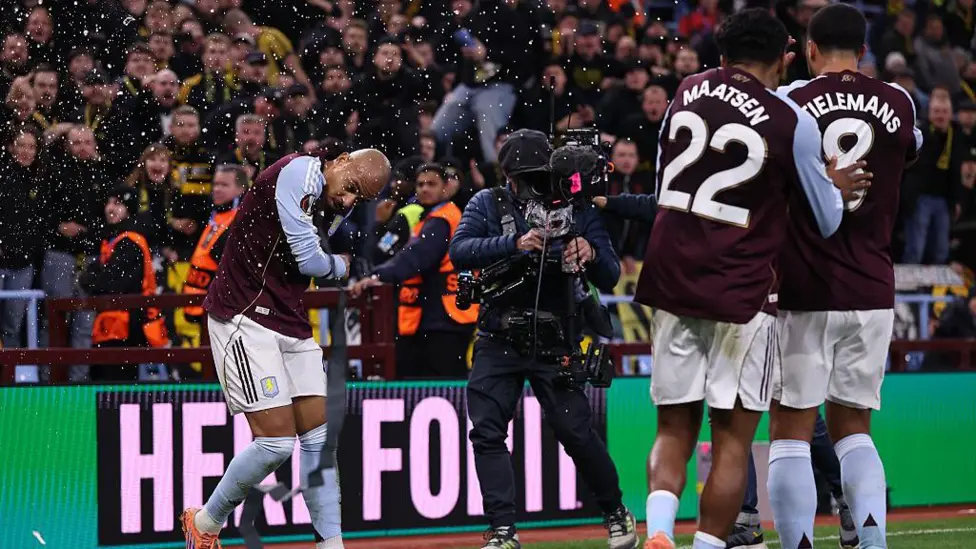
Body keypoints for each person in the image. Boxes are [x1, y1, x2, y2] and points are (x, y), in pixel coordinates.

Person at [635, 9, 870, 549]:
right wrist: (828, 183)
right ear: (785, 58)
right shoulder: (790, 119)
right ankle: (707, 545)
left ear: (722, 56)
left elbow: (663, 185)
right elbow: (827, 220)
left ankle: (660, 532)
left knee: (672, 429)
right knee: (732, 441)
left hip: (670, 281)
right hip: (740, 294)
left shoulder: (686, 91)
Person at [180, 147, 390, 549]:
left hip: (289, 318)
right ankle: (205, 523)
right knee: (275, 444)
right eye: (350, 187)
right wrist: (343, 265)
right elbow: (311, 262)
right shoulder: (302, 171)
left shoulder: (328, 195)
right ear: (341, 160)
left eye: (358, 198)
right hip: (243, 314)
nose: (348, 200)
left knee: (319, 441)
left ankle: (332, 547)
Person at [771, 5, 923, 549]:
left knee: (790, 429)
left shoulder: (790, 100)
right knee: (854, 428)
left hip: (804, 287)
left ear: (809, 49)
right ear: (863, 51)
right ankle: (873, 541)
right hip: (873, 289)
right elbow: (911, 147)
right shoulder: (900, 101)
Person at [449, 130, 639, 549]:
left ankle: (614, 511)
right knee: (486, 431)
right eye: (525, 177)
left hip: (557, 337)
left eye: (541, 176)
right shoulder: (487, 202)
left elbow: (610, 273)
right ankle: (503, 531)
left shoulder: (578, 207)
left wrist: (589, 251)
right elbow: (459, 249)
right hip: (499, 333)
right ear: (508, 176)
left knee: (576, 432)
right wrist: (513, 243)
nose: (533, 185)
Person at [350, 163, 478, 378]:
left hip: (444, 316)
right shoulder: (438, 216)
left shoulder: (441, 220)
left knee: (440, 382)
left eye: (431, 184)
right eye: (420, 184)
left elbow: (414, 257)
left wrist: (378, 275)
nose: (425, 189)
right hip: (445, 312)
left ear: (445, 187)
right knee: (443, 381)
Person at [79, 186, 170, 381]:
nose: (111, 208)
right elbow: (94, 278)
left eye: (118, 203)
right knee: (106, 384)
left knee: (117, 386)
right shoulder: (114, 239)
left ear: (129, 209)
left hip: (125, 327)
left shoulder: (130, 241)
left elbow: (110, 284)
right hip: (111, 326)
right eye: (109, 203)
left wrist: (92, 280)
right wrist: (93, 279)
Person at [182, 164, 247, 324]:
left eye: (224, 185)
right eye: (216, 184)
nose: (217, 189)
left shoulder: (240, 221)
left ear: (241, 189)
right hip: (198, 305)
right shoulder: (216, 216)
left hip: (218, 312)